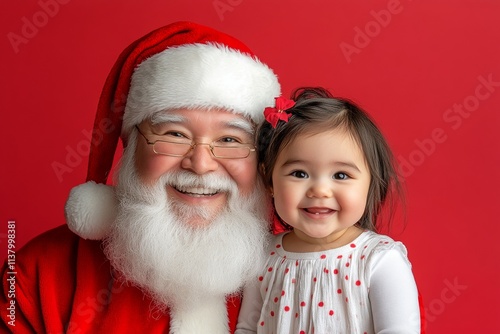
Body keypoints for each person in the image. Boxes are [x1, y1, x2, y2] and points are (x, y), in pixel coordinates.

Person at [0, 21, 281, 333]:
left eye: (230, 139)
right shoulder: (35, 272)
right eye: (174, 134)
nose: (201, 165)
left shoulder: (311, 268)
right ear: (131, 147)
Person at [236, 87, 421, 333]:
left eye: (341, 175)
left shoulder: (378, 260)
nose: (320, 190)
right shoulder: (263, 258)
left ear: (370, 183)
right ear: (269, 181)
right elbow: (247, 328)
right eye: (299, 173)